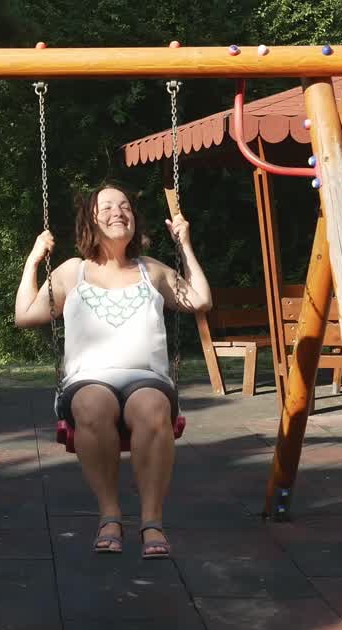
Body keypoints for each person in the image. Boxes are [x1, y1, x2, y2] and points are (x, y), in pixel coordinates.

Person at [14, 184, 211, 558]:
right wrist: (33, 261)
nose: (118, 211)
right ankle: (110, 514)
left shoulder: (151, 270)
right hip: (88, 380)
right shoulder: (74, 272)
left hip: (147, 380)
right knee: (92, 405)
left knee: (154, 408)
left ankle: (152, 520)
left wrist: (184, 245)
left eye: (125, 206)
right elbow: (25, 316)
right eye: (106, 207)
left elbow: (201, 300)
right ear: (90, 218)